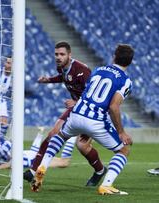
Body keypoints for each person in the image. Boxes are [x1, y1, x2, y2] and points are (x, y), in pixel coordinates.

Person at [31, 44, 134, 195]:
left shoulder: (99, 70)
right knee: (123, 150)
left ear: (114, 56)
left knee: (60, 136)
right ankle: (106, 185)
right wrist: (121, 132)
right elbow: (113, 107)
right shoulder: (126, 81)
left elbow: (87, 93)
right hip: (96, 120)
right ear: (130, 62)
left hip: (77, 113)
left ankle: (43, 165)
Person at [24, 41, 106, 187]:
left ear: (69, 55)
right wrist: (48, 80)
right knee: (52, 134)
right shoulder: (62, 67)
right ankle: (33, 169)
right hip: (74, 109)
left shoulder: (82, 71)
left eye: (62, 54)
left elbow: (94, 95)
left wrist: (76, 103)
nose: (58, 57)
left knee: (82, 147)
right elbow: (63, 77)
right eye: (56, 54)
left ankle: (100, 171)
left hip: (89, 111)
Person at [0, 127, 76, 169]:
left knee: (64, 163)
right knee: (34, 151)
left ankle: (74, 134)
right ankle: (40, 133)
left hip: (31, 160)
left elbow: (12, 163)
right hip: (28, 155)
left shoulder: (6, 145)